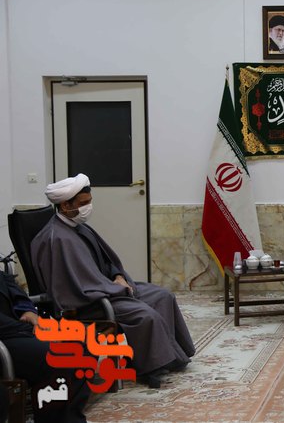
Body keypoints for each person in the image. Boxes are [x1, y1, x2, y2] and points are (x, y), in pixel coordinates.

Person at [31, 174, 195, 388]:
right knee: (145, 315)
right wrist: (116, 289)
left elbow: (106, 261)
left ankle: (170, 356)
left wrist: (118, 276)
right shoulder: (57, 239)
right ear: (65, 205)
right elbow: (74, 287)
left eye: (89, 201)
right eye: (83, 203)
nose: (88, 207)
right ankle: (150, 367)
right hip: (90, 302)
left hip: (107, 288)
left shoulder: (77, 226)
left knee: (163, 296)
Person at [0, 271, 90, 422]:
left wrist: (28, 311)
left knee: (80, 342)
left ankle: (71, 418)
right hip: (6, 337)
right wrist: (29, 329)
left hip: (19, 329)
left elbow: (11, 286)